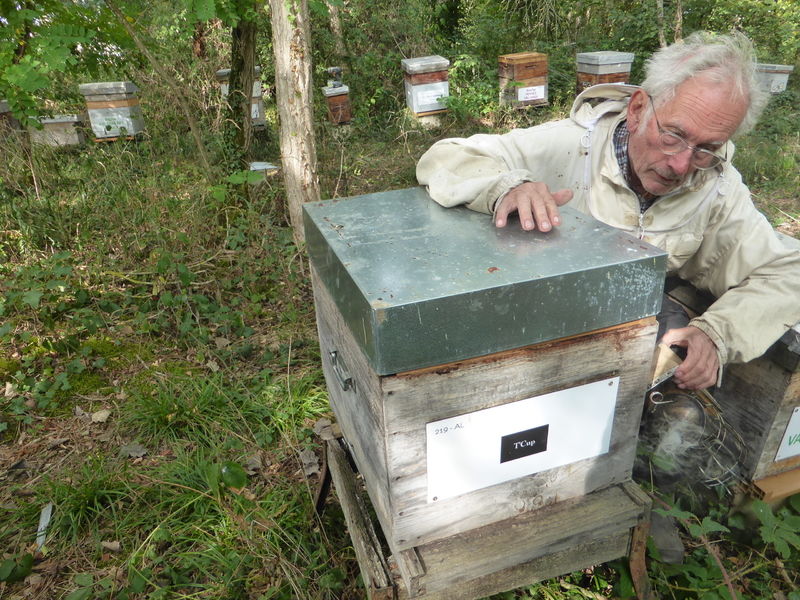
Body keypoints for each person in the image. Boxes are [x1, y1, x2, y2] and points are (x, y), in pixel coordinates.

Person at [417, 31, 800, 391]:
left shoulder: (716, 185)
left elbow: (790, 270)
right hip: (533, 334)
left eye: (706, 148)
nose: (682, 165)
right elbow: (445, 156)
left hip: (627, 346)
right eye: (673, 137)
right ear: (636, 111)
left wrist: (720, 333)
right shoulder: (568, 146)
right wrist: (509, 186)